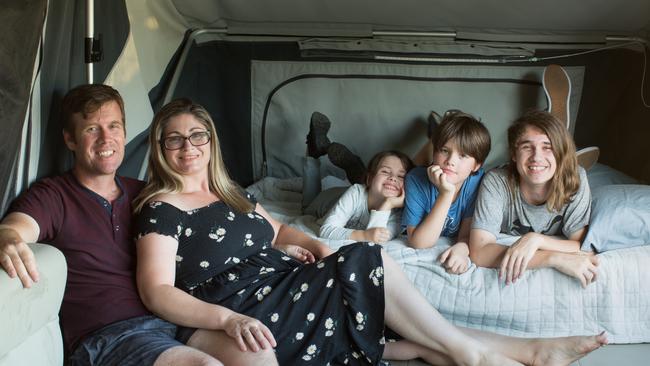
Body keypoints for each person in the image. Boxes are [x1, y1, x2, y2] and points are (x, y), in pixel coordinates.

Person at [134, 98, 608, 366]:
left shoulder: (231, 193)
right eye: (174, 138)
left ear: (210, 141)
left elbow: (280, 232)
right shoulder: (161, 207)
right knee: (371, 265)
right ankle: (484, 356)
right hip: (237, 303)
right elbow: (156, 291)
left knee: (382, 298)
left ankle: (527, 351)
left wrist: (318, 248)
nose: (188, 147)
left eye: (197, 135)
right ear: (160, 147)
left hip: (281, 284)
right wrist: (225, 321)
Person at [0, 84, 275, 366]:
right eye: (91, 129)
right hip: (109, 334)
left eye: (114, 126)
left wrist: (273, 246)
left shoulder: (146, 194)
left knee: (257, 352)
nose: (106, 139)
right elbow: (17, 227)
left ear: (125, 132)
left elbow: (210, 239)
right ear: (70, 140)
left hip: (171, 321)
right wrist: (8, 237)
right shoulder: (54, 195)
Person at [469, 110, 599, 288]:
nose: (536, 157)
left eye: (548, 147)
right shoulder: (496, 182)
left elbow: (581, 245)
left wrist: (535, 240)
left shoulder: (576, 179)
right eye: (526, 147)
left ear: (560, 152)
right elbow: (479, 251)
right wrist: (552, 258)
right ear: (514, 154)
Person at [402, 111, 491, 275]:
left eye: (463, 155)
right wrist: (445, 194)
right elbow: (419, 243)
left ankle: (436, 133)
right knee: (402, 168)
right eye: (444, 150)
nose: (451, 161)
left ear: (476, 166)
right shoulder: (414, 179)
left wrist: (463, 248)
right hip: (418, 173)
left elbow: (465, 235)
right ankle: (433, 136)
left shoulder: (478, 182)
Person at [318, 150, 414, 243]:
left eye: (401, 176)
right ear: (370, 179)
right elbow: (326, 230)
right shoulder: (356, 192)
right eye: (385, 171)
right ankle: (312, 162)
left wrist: (388, 204)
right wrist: (364, 235)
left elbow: (376, 240)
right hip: (325, 202)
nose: (393, 178)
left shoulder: (401, 215)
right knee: (308, 202)